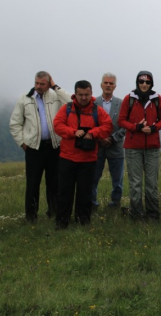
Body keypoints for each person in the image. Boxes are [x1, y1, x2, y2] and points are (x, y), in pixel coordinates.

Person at [10, 71, 70, 223]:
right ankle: (31, 216)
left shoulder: (55, 96)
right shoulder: (25, 98)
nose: (38, 86)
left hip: (54, 146)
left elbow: (70, 102)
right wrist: (23, 143)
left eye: (42, 84)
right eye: (36, 83)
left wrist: (56, 87)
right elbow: (15, 124)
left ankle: (54, 211)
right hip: (33, 148)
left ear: (49, 83)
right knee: (32, 183)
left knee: (54, 182)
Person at [53, 80, 112, 229]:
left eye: (86, 94)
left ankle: (83, 221)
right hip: (67, 157)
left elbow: (108, 126)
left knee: (85, 192)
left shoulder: (97, 110)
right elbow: (57, 126)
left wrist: (92, 133)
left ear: (91, 93)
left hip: (88, 159)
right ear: (75, 94)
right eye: (80, 95)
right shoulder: (67, 108)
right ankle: (62, 222)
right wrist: (73, 132)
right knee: (65, 192)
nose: (84, 98)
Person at [117, 71, 161, 221]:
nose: (144, 84)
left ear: (151, 83)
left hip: (152, 146)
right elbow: (121, 120)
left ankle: (153, 214)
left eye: (147, 82)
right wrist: (136, 127)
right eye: (141, 82)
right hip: (133, 146)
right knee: (136, 183)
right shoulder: (129, 99)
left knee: (152, 183)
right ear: (137, 83)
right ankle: (137, 214)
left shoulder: (157, 99)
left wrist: (153, 128)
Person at [92, 73, 126, 209]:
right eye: (106, 83)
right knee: (93, 178)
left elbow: (125, 125)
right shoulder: (94, 103)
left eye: (111, 83)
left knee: (117, 180)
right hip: (97, 146)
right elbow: (90, 123)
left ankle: (115, 203)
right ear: (101, 85)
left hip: (116, 146)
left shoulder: (121, 103)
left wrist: (112, 138)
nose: (108, 85)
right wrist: (100, 138)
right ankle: (92, 204)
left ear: (115, 86)